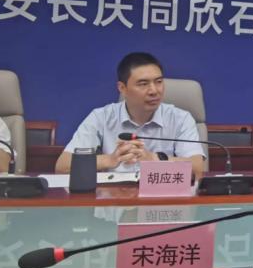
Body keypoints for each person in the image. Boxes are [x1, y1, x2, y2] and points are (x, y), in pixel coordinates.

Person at [55, 52, 205, 176]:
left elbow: (197, 169)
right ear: (122, 88)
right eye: (143, 84)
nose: (154, 91)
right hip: (113, 197)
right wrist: (110, 160)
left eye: (159, 82)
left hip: (163, 198)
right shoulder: (101, 117)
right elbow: (62, 166)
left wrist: (154, 159)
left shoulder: (180, 118)